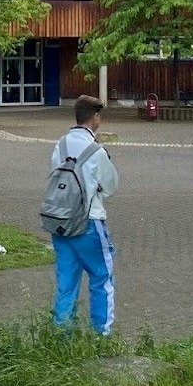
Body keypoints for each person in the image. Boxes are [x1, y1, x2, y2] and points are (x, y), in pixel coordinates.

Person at [49, 95, 120, 334]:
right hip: (89, 222)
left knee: (66, 283)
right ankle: (102, 335)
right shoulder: (97, 151)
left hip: (61, 221)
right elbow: (110, 186)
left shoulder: (61, 144)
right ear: (95, 117)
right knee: (102, 279)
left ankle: (62, 337)